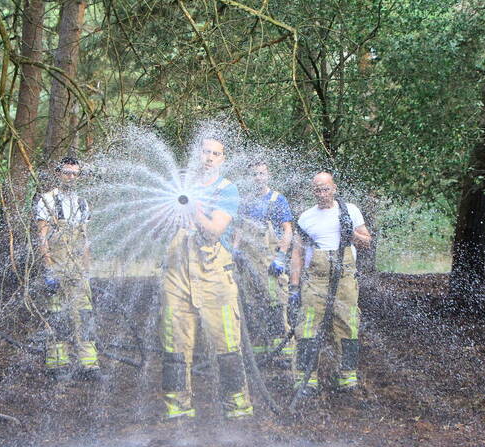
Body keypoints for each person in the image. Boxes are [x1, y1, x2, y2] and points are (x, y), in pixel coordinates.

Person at [159, 136, 253, 420]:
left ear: (222, 160)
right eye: (205, 152)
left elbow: (214, 230)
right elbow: (156, 232)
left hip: (214, 273)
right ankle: (177, 408)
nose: (210, 157)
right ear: (196, 155)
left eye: (216, 153)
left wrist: (193, 209)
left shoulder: (227, 190)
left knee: (225, 343)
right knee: (174, 343)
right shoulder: (179, 187)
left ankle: (237, 407)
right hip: (177, 272)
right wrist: (165, 210)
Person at [290, 172, 372, 396]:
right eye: (318, 189)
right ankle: (306, 379)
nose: (322, 193)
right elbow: (297, 253)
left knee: (348, 323)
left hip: (345, 277)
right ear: (313, 191)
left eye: (326, 188)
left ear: (334, 188)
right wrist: (294, 287)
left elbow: (367, 242)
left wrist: (352, 235)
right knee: (307, 326)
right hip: (315, 279)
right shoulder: (305, 217)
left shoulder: (350, 211)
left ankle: (346, 377)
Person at [34, 156, 101, 381]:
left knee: (85, 314)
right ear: (58, 173)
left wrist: (88, 271)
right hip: (58, 265)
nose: (70, 177)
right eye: (66, 173)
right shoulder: (47, 201)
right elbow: (42, 237)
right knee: (57, 314)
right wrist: (49, 269)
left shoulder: (82, 203)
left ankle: (89, 365)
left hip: (77, 269)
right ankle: (57, 364)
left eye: (74, 174)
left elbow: (85, 240)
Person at [238, 161, 295, 366]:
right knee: (253, 304)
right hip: (249, 261)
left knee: (275, 304)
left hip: (270, 262)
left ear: (268, 175)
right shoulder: (245, 201)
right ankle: (259, 352)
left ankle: (282, 352)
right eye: (254, 174)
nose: (258, 178)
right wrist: (236, 251)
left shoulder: (277, 200)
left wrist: (281, 256)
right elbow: (240, 229)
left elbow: (287, 229)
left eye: (262, 173)